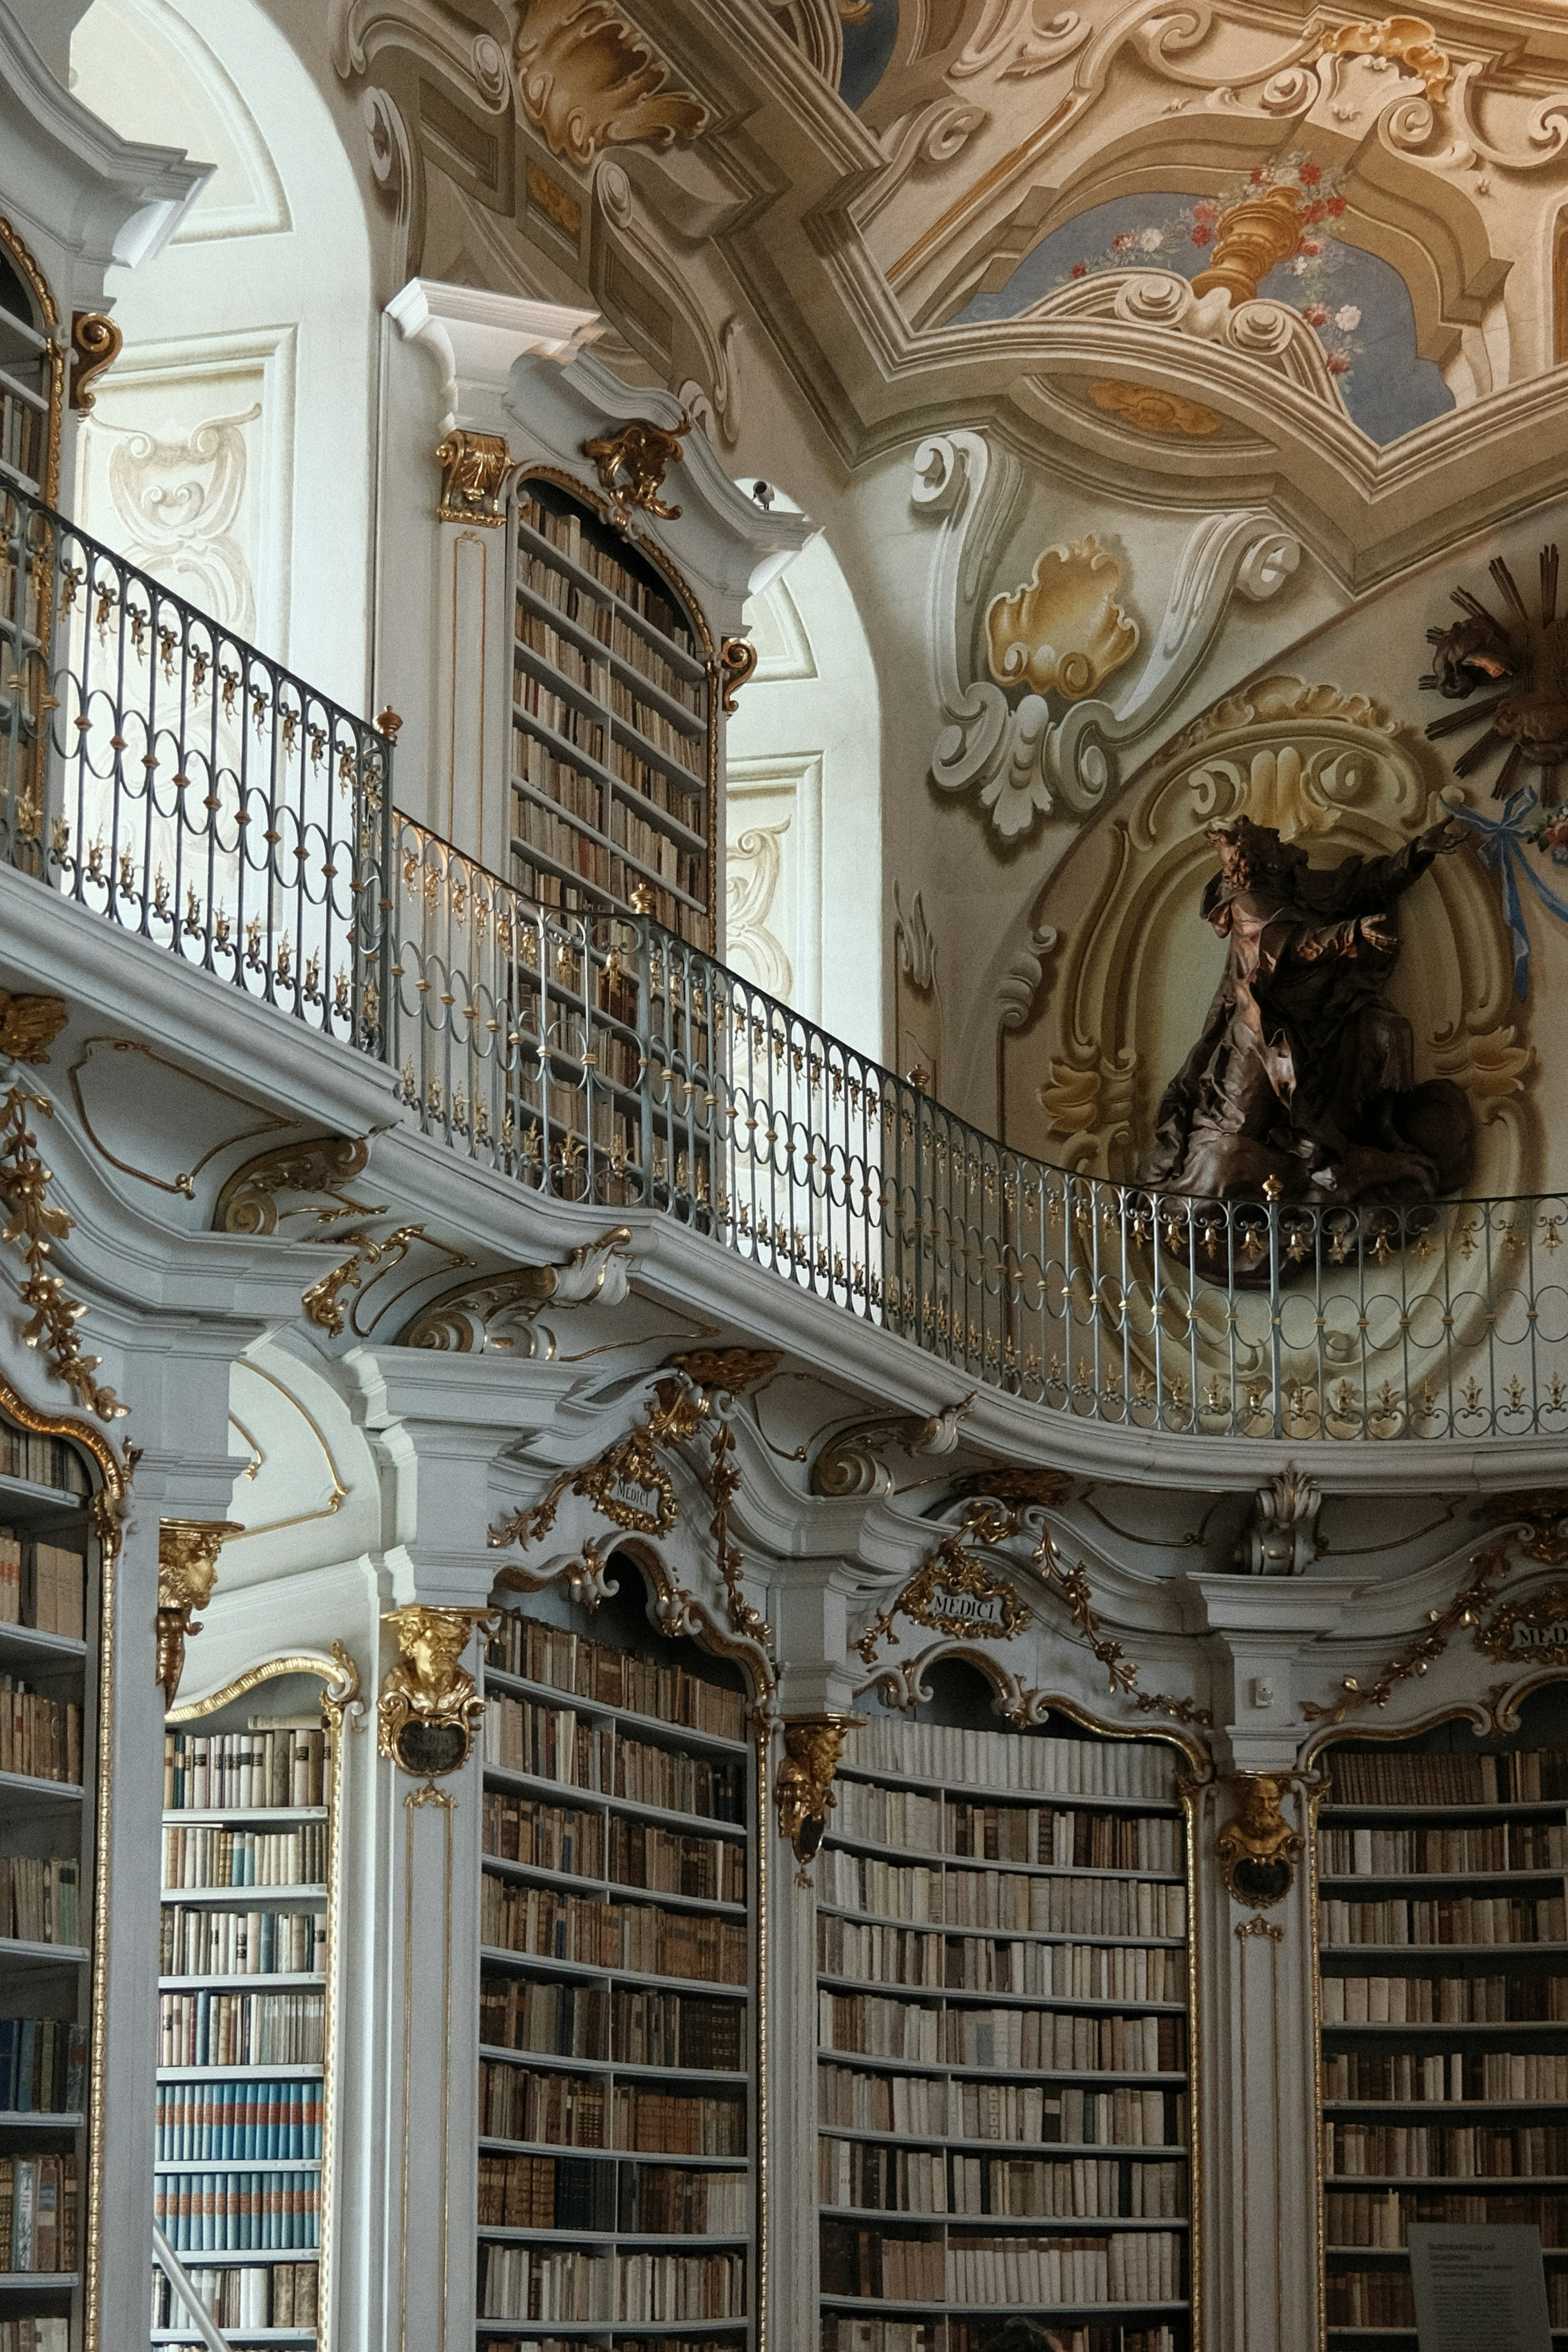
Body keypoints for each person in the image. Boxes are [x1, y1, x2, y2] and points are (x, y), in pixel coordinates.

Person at [1137, 813, 1473, 1206]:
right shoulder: (1247, 902)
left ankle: (1379, 1130)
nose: (1278, 835)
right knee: (1240, 1128)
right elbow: (1295, 944)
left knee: (1389, 1030)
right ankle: (1295, 1164)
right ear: (1262, 858)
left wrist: (1417, 853)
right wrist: (1351, 932)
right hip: (1267, 1028)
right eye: (1269, 837)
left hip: (1330, 1014)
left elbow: (1366, 885)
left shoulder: (1304, 885)